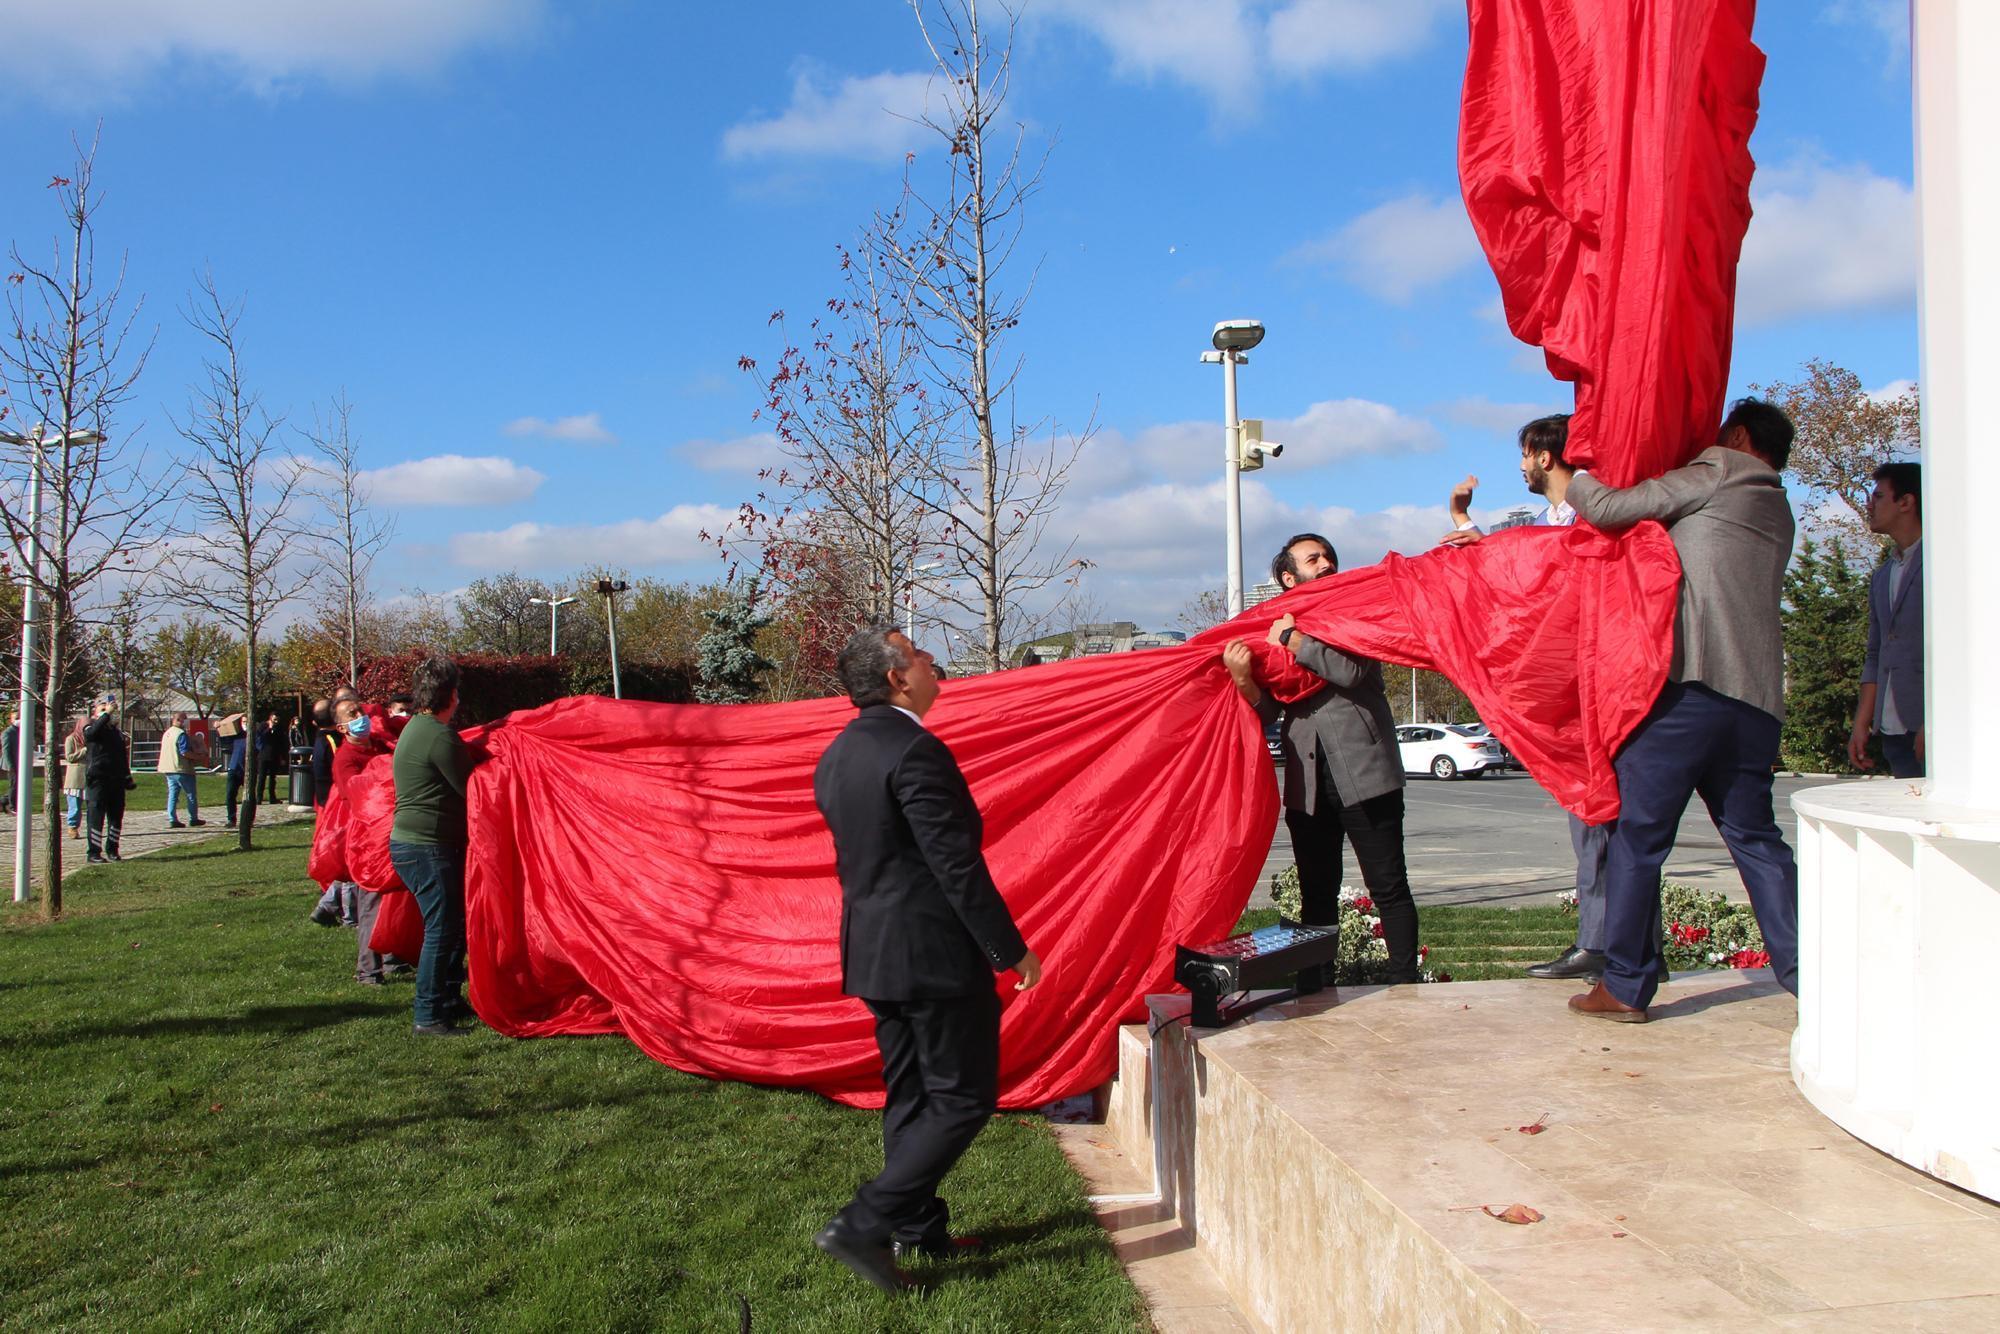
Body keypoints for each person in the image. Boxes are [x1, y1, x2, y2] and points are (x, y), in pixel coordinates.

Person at [810, 624, 1041, 1294]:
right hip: (931, 956)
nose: (933, 660)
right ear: (895, 677)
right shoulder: (914, 750)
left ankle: (917, 1226)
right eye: (918, 654)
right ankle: (865, 1222)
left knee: (912, 1094)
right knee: (962, 1098)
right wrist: (1010, 949)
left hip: (875, 953)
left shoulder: (839, 753)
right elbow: (955, 867)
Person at [1565, 398, 1800, 1022]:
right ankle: (1811, 973)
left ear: (1740, 437)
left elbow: (1610, 509)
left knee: (1637, 840)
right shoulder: (1778, 505)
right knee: (1756, 839)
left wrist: (1577, 467)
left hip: (1689, 691)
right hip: (1755, 701)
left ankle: (1624, 985)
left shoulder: (1721, 469)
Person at [1440, 414, 1611, 982]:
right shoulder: (1544, 524)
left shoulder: (1599, 515)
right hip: (1563, 697)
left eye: (1523, 454)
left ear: (1544, 455)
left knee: (1606, 820)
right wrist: (1469, 528)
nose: (1518, 466)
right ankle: (1605, 942)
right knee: (1587, 821)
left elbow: (1557, 575)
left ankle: (1612, 944)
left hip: (1598, 688)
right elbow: (1526, 579)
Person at [1221, 534, 1421, 984]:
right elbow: (1272, 710)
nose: (1327, 563)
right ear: (1289, 577)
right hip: (1308, 783)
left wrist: (1293, 639)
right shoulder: (1271, 630)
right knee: (1316, 892)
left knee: (1387, 885)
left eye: (1329, 556)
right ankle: (1315, 987)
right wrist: (1243, 679)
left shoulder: (1354, 613)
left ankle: (1405, 984)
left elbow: (1349, 670)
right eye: (1314, 559)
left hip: (1367, 773)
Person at [389, 657, 475, 1037]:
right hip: (428, 847)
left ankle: (447, 999)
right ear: (451, 696)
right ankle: (428, 1014)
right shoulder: (439, 737)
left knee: (451, 927)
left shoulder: (418, 728)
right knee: (441, 930)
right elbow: (472, 788)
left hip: (419, 844)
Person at [1849, 461, 1924, 778]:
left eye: (1879, 496)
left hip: (1935, 731)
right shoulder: (1882, 576)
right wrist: (1861, 723)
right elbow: (1876, 653)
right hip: (1893, 731)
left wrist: (1938, 721)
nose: (1869, 505)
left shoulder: (1946, 560)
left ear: (1906, 502)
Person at [332, 694, 404, 986]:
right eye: (352, 713)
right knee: (372, 902)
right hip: (368, 839)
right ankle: (368, 970)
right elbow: (356, 794)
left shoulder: (378, 744)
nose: (360, 715)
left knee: (395, 899)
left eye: (360, 710)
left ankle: (391, 957)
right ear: (342, 728)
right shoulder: (345, 759)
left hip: (391, 830)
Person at [82, 696, 132, 863]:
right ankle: (94, 852)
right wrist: (105, 715)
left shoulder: (116, 732)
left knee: (116, 817)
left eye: (109, 707)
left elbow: (122, 756)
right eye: (102, 708)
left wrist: (127, 776)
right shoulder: (91, 726)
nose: (107, 710)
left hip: (115, 779)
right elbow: (91, 734)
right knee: (96, 816)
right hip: (98, 779)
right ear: (96, 711)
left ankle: (113, 849)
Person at [157, 711, 205, 828]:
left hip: (169, 768)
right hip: (181, 768)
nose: (185, 722)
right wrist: (199, 757)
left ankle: (172, 818)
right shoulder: (181, 734)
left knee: (173, 795)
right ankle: (193, 818)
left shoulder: (167, 733)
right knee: (190, 795)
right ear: (179, 720)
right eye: (184, 719)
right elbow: (184, 752)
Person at [62, 717, 88, 839]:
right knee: (75, 807)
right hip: (75, 778)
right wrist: (84, 751)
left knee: (92, 806)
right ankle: (72, 827)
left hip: (89, 777)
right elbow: (69, 757)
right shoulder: (71, 739)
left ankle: (92, 828)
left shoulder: (91, 739)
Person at [257, 712, 287, 803]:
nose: (276, 721)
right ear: (270, 718)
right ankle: (259, 798)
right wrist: (269, 728)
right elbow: (260, 738)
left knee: (272, 778)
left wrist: (282, 757)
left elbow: (281, 742)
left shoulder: (279, 728)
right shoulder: (263, 726)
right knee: (262, 777)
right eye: (274, 719)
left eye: (277, 720)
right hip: (264, 755)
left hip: (275, 755)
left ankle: (272, 797)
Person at [1, 710, 17, 816]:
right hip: (11, 764)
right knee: (14, 785)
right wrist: (11, 766)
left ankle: (3, 802)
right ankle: (13, 807)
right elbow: (6, 750)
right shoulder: (8, 733)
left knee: (18, 786)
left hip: (19, 763)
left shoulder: (21, 731)